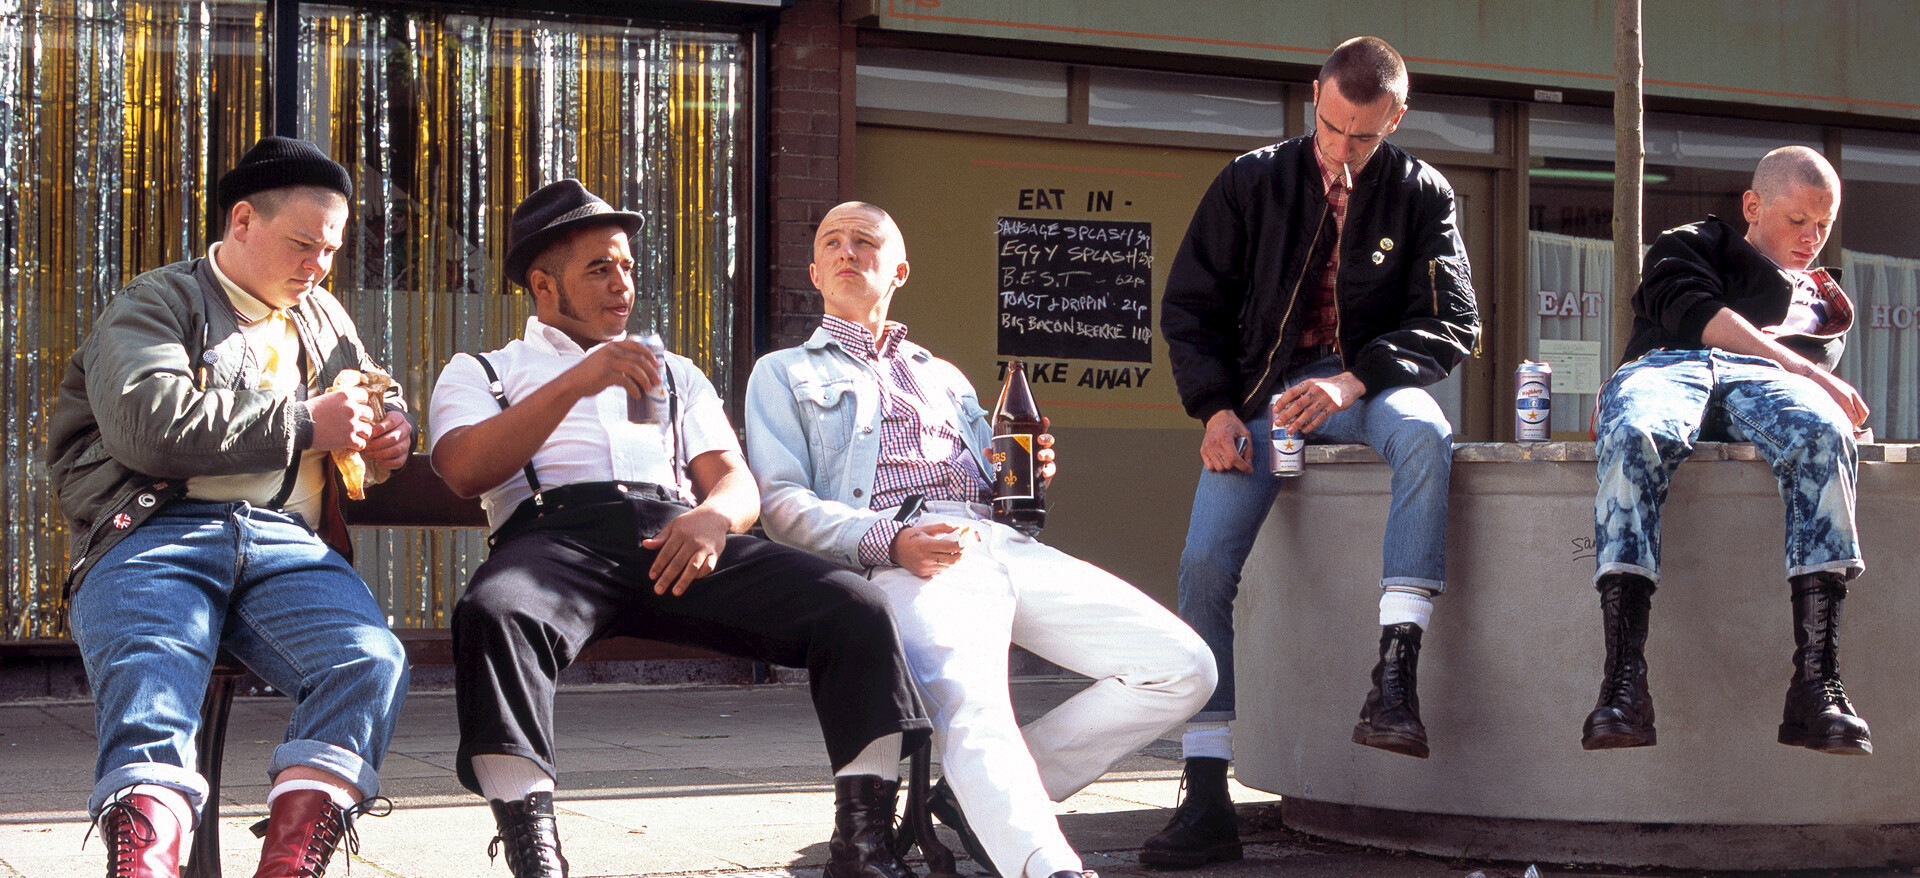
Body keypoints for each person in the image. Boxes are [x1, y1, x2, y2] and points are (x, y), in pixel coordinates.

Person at [428, 180, 932, 878]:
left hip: (677, 537)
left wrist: (713, 518)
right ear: (543, 285)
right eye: (599, 269)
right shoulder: (485, 371)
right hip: (554, 544)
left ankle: (864, 844)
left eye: (627, 266)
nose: (622, 284)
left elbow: (737, 482)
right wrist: (577, 381)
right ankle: (534, 851)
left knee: (856, 605)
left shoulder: (673, 370)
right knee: (493, 613)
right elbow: (462, 469)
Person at [745, 201, 1216, 878]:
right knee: (975, 700)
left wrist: (1026, 475)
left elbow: (1001, 482)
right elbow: (782, 505)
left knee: (1183, 667)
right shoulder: (784, 372)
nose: (848, 251)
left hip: (999, 541)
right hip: (910, 551)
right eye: (832, 243)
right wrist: (890, 542)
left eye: (865, 241)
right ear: (815, 272)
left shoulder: (945, 377)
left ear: (899, 270)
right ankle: (1043, 863)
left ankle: (981, 796)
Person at [1151, 35, 1480, 866]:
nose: (1341, 149)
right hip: (1263, 402)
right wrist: (1214, 411)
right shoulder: (1251, 180)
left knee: (1427, 434)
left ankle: (1395, 677)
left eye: (1362, 136)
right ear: (1314, 98)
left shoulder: (1423, 192)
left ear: (1396, 119)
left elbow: (1454, 323)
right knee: (1203, 565)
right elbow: (1190, 306)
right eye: (1330, 127)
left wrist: (1353, 380)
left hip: (1365, 386)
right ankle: (1205, 790)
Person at [46, 136, 412, 878]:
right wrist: (304, 422)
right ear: (242, 221)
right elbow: (148, 424)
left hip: (286, 545)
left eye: (331, 250)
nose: (319, 265)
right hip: (153, 532)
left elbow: (371, 389)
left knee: (368, 660)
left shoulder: (323, 316)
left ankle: (290, 866)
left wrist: (392, 429)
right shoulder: (156, 301)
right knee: (152, 678)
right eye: (304, 244)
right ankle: (145, 865)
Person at [1582, 146, 1871, 755]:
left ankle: (1817, 684)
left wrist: (1825, 402)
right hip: (1670, 364)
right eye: (1797, 220)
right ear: (1753, 206)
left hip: (1767, 382)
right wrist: (1804, 369)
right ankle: (1623, 683)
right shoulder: (1692, 242)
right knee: (1634, 432)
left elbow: (1812, 406)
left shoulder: (1825, 300)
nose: (1812, 237)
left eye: (1824, 224)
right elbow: (1691, 310)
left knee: (1826, 435)